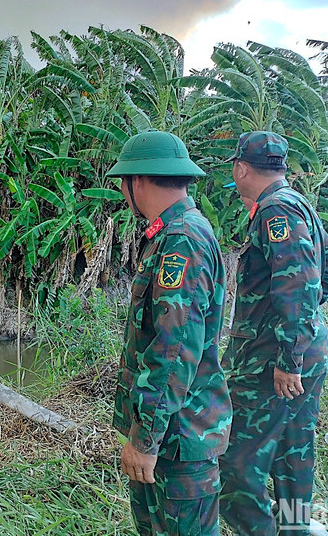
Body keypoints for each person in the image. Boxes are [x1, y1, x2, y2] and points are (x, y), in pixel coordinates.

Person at [219, 132, 328, 534]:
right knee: (294, 455)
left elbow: (299, 285)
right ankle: (294, 529)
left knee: (236, 464)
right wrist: (304, 330)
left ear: (241, 168)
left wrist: (288, 353)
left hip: (273, 364)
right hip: (302, 355)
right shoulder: (299, 205)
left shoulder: (277, 212)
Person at [107, 129, 232, 535]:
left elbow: (173, 349)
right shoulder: (171, 236)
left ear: (138, 181)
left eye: (125, 184)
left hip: (180, 439)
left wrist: (144, 439)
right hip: (170, 437)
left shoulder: (182, 241)